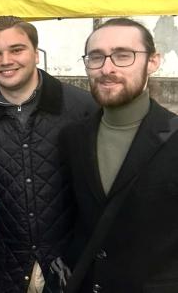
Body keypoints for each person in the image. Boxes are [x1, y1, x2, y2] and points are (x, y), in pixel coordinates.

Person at [0, 16, 96, 293]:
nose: (5, 60)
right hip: (10, 264)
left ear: (36, 54)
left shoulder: (82, 108)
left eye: (16, 49)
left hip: (72, 261)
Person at [59, 18, 178, 293]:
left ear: (153, 61)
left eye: (123, 55)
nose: (107, 68)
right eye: (96, 57)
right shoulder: (73, 138)